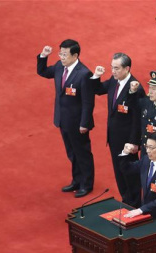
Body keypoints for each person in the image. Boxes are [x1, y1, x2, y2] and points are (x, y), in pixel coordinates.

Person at [37, 39, 95, 198]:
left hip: (78, 123)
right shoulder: (58, 67)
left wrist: (84, 123)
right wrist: (43, 56)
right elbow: (43, 72)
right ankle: (76, 180)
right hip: (63, 119)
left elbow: (88, 102)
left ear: (75, 55)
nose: (61, 57)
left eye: (65, 54)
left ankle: (87, 184)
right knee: (71, 152)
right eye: (60, 53)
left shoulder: (84, 74)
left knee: (82, 153)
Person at [91, 53, 144, 207]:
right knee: (119, 172)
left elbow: (138, 118)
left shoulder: (135, 88)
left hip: (128, 141)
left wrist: (134, 142)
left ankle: (135, 204)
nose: (113, 71)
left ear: (127, 68)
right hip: (114, 138)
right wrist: (96, 76)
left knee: (130, 174)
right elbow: (99, 89)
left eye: (116, 68)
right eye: (112, 68)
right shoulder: (115, 82)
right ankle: (126, 200)